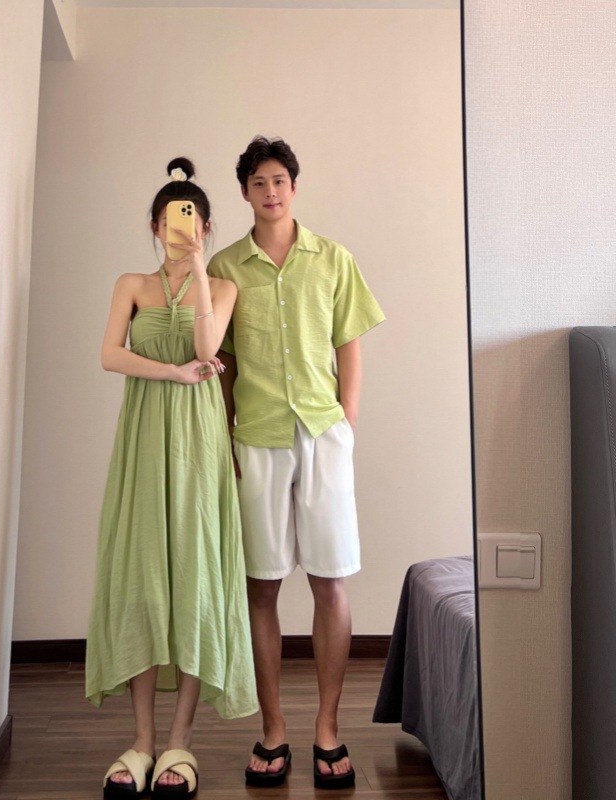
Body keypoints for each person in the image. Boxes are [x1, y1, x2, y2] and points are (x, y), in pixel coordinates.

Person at [208, 136, 386, 790]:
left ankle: (328, 729)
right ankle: (274, 729)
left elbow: (350, 345)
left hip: (321, 433)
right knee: (261, 585)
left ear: (294, 186)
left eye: (279, 180)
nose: (270, 191)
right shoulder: (225, 267)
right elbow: (222, 363)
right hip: (256, 438)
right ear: (245, 192)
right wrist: (225, 438)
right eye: (258, 182)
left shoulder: (333, 259)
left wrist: (346, 422)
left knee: (331, 581)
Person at [85, 157, 258, 800]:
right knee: (143, 578)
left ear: (205, 227)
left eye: (190, 221)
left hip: (198, 442)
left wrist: (201, 271)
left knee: (193, 577)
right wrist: (170, 372)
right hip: (144, 435)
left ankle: (180, 742)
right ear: (155, 226)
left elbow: (209, 351)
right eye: (168, 220)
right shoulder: (131, 283)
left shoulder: (223, 287)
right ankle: (141, 742)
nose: (178, 229)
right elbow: (110, 354)